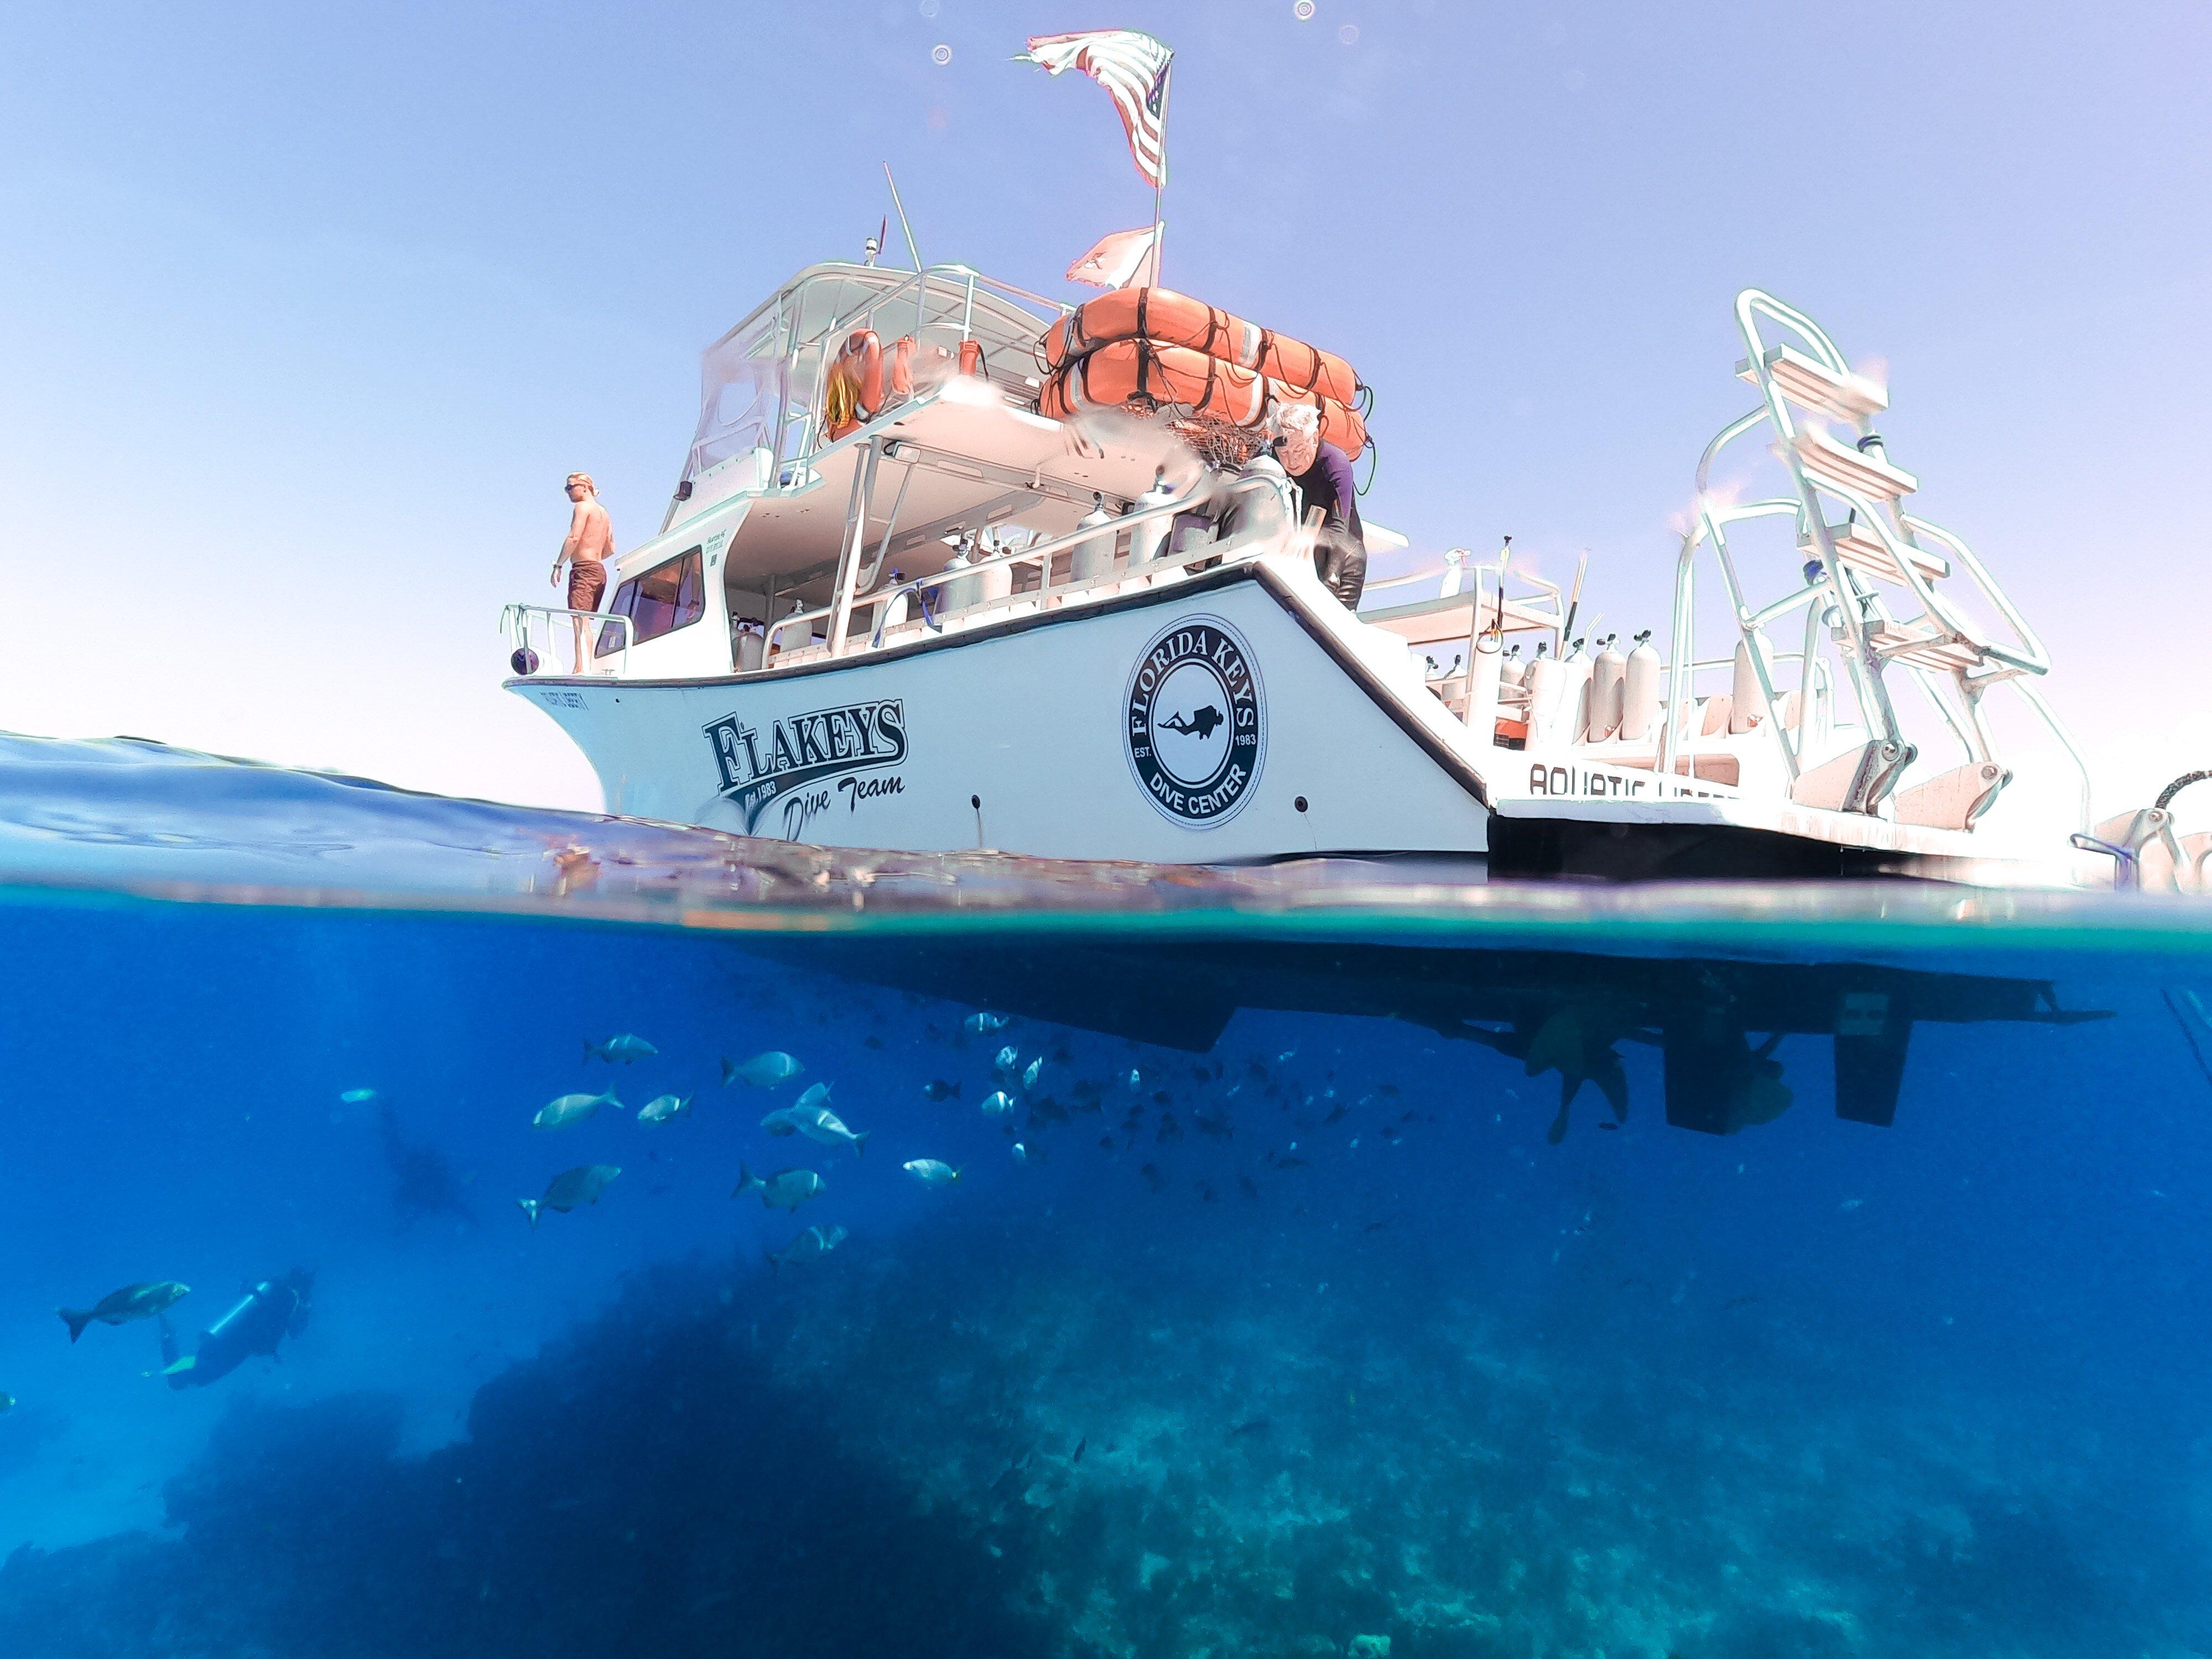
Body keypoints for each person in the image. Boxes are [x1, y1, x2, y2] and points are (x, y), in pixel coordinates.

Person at [1271, 403, 1365, 609]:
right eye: (1284, 452)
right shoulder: (1272, 459)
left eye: (1298, 450)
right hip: (1299, 552)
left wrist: (1330, 580)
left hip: (1343, 555)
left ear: (1314, 439)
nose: (1292, 460)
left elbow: (1340, 528)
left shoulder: (1336, 463)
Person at [157, 1271, 314, 1390]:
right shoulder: (291, 1300)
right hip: (239, 1348)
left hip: (225, 1336)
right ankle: (168, 1335)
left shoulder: (270, 1289)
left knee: (190, 1375)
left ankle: (168, 1336)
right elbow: (294, 1334)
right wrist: (305, 1310)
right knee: (185, 1380)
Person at [550, 472, 616, 672]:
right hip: (599, 571)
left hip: (584, 570)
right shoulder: (604, 513)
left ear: (585, 487)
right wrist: (592, 555)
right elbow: (611, 548)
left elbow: (574, 537)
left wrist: (559, 565)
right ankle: (583, 666)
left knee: (580, 622)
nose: (568, 492)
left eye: (571, 487)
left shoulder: (583, 507)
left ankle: (581, 669)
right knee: (584, 621)